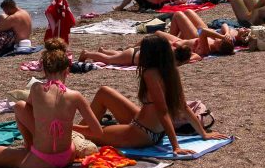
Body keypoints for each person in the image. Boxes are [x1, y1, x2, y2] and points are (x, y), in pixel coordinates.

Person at [76, 35, 228, 154]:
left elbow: (162, 111)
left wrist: (175, 146)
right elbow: (182, 106)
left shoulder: (150, 74)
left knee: (89, 132)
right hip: (151, 129)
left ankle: (69, 131)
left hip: (142, 133)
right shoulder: (171, 70)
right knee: (104, 92)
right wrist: (203, 134)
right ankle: (80, 128)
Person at [0, 39, 103, 168]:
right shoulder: (76, 96)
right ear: (67, 71)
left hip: (41, 160)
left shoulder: (36, 88)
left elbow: (27, 108)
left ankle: (29, 146)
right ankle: (32, 147)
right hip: (67, 156)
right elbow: (98, 132)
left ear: (44, 71)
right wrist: (69, 126)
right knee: (20, 106)